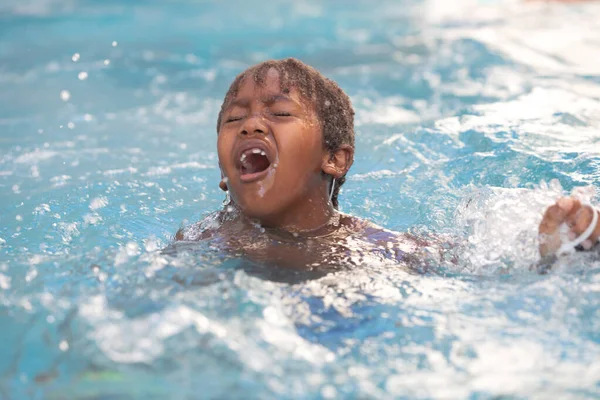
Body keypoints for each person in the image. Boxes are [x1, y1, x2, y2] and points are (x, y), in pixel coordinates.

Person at [173, 58, 599, 273]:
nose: (250, 126)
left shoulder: (377, 248)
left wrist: (557, 255)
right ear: (224, 171)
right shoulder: (201, 242)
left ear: (334, 159)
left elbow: (485, 273)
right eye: (234, 119)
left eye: (279, 114)